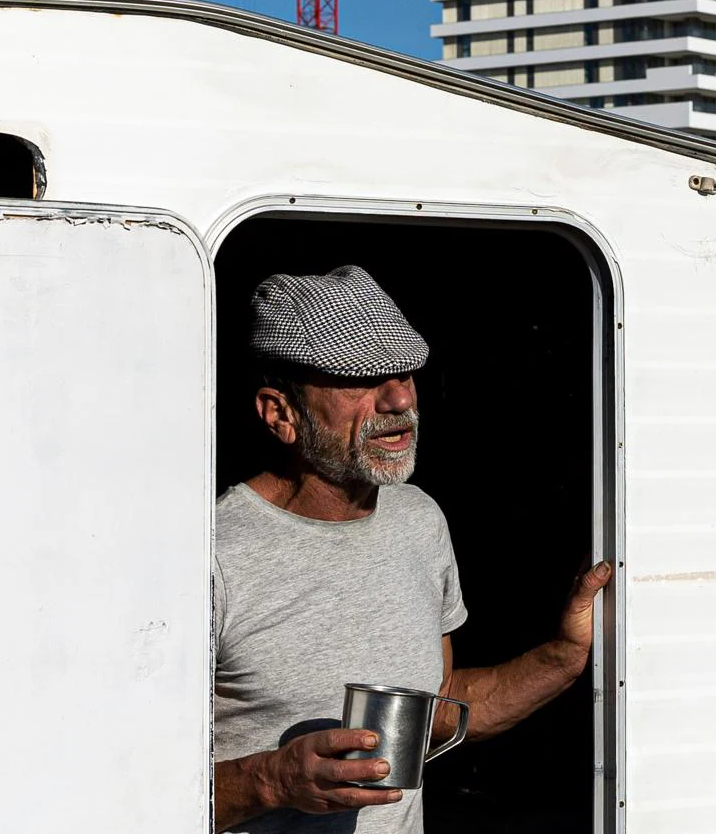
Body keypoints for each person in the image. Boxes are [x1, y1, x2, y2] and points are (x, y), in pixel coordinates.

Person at [214, 266, 610, 833]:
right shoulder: (210, 554)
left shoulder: (418, 519)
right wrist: (271, 781)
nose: (400, 399)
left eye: (404, 373)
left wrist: (565, 656)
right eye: (359, 379)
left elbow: (438, 706)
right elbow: (120, 778)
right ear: (281, 413)